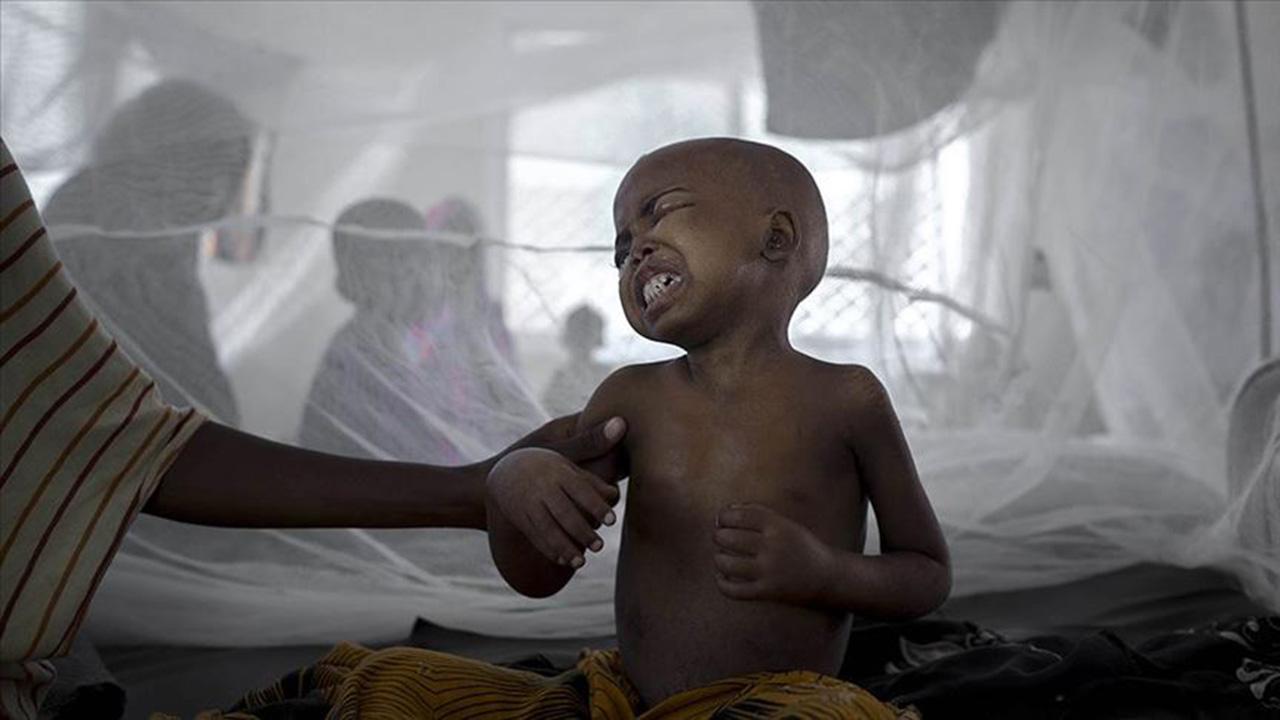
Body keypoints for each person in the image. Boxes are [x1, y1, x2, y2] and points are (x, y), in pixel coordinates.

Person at [232, 138, 948, 719]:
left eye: (660, 213)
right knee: (400, 684)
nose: (636, 249)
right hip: (622, 700)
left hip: (784, 703)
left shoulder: (847, 400)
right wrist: (515, 483)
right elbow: (539, 575)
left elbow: (926, 573)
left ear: (777, 237)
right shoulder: (631, 398)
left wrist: (823, 572)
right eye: (621, 246)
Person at [0, 139, 627, 719]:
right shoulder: (354, 355)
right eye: (384, 266)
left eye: (412, 262)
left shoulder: (434, 344)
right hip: (366, 532)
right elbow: (350, 448)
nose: (405, 280)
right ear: (352, 280)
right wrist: (473, 489)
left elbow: (149, 447)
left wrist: (481, 480)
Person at [542, 304, 612, 418]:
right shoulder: (559, 378)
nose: (582, 342)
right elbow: (548, 410)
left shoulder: (607, 375)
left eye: (587, 334)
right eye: (578, 334)